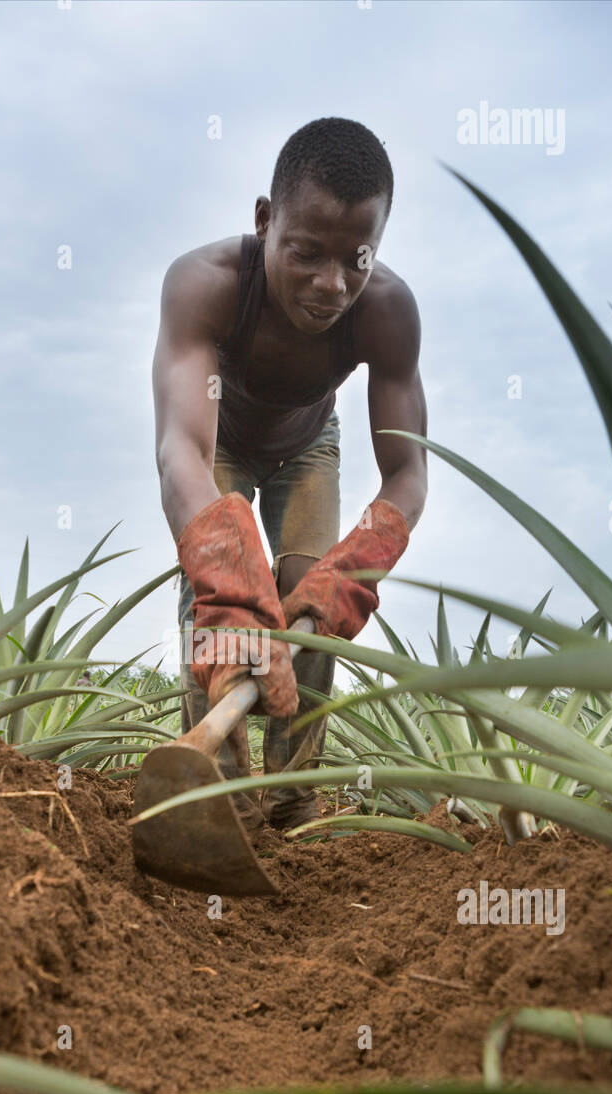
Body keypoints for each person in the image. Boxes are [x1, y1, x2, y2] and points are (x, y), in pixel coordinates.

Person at [152, 116, 427, 831]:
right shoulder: (204, 284)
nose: (332, 284)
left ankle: (292, 804)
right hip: (222, 440)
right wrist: (223, 573)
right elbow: (181, 448)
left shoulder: (388, 311)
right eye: (305, 253)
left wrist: (355, 570)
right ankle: (219, 801)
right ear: (266, 220)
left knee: (309, 603)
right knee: (223, 601)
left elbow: (407, 472)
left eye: (357, 259)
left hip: (310, 445)